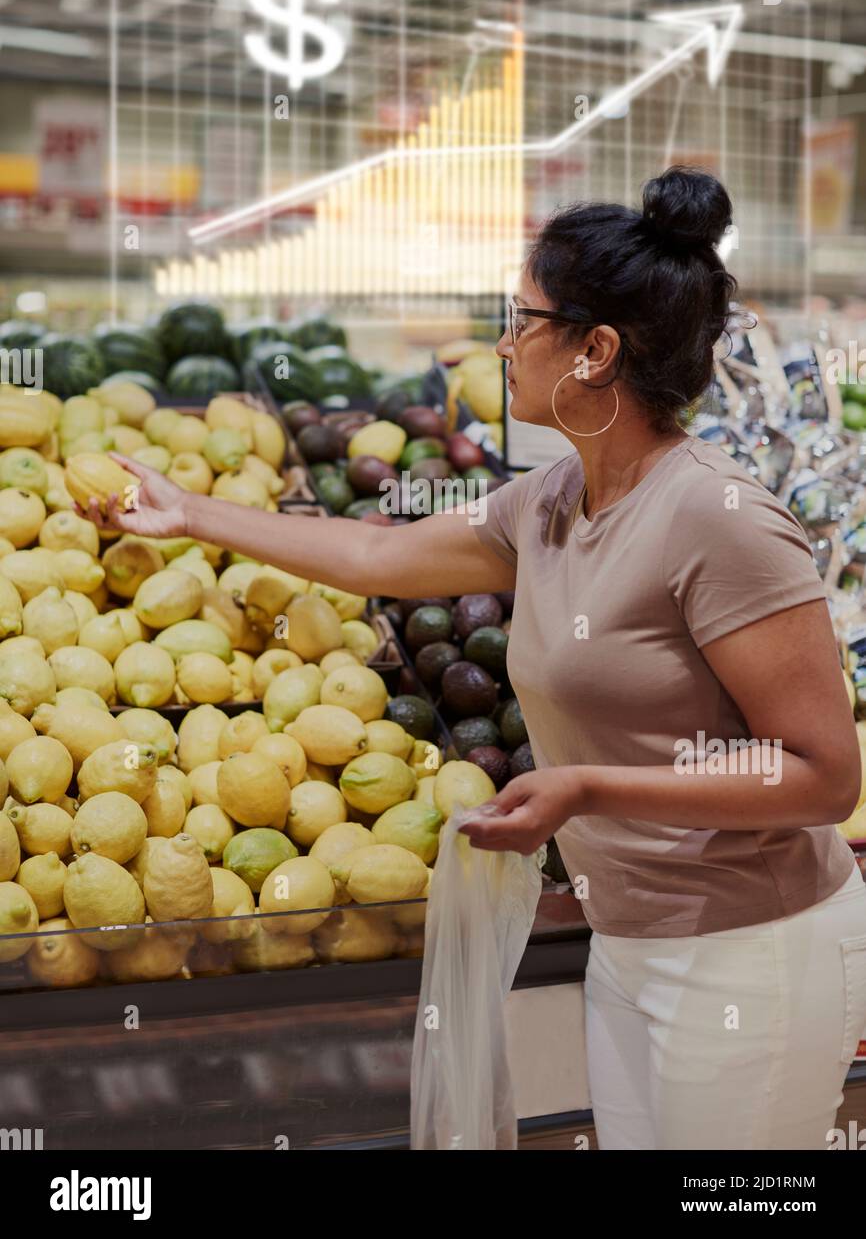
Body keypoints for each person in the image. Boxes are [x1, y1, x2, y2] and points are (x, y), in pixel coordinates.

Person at [87, 167, 866, 1151]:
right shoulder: (547, 500)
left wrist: (584, 787)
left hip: (752, 955)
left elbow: (820, 773)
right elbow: (375, 553)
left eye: (519, 317)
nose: (499, 343)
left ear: (594, 351)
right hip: (631, 939)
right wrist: (191, 513)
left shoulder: (720, 523)